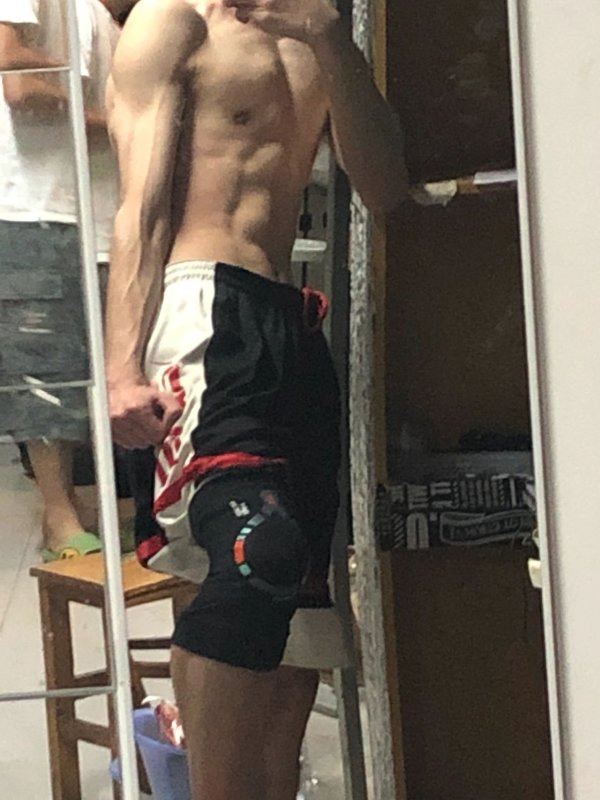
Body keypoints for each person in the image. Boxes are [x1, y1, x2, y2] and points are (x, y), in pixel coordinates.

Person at [106, 0, 407, 798]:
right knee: (256, 553)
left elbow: (385, 187)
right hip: (201, 307)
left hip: (288, 322)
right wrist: (121, 368)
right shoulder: (174, 24)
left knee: (299, 618)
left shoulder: (315, 32)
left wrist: (330, 40)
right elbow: (141, 207)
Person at [0, 0, 126, 560]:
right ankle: (58, 513)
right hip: (37, 208)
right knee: (47, 372)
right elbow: (17, 79)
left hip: (99, 210)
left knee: (102, 368)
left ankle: (85, 505)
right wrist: (121, 126)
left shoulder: (109, 18)